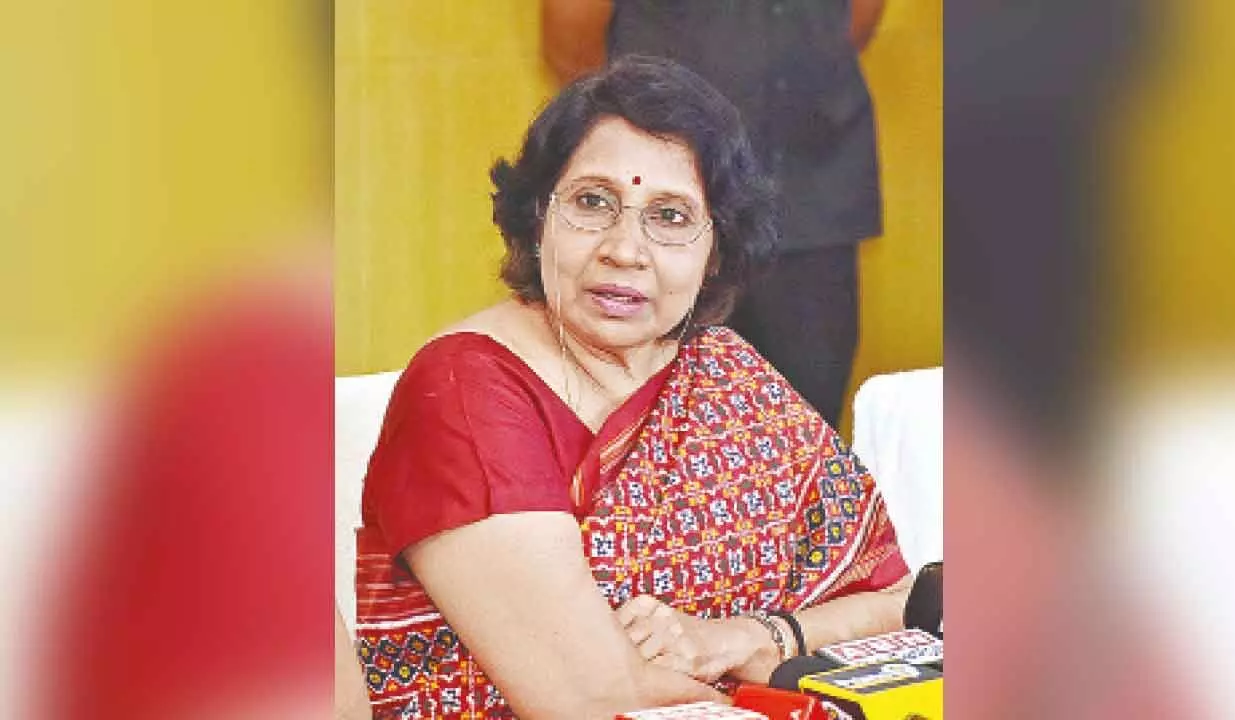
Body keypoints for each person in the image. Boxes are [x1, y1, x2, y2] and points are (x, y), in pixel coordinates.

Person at [354, 56, 909, 720]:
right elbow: (593, 698)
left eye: (670, 216)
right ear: (537, 221)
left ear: (716, 250)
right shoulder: (467, 393)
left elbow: (903, 605)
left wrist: (756, 637)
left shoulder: (728, 376)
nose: (625, 249)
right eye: (593, 202)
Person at [543, 0, 887, 430]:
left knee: (807, 423)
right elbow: (572, 37)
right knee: (659, 425)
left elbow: (855, 18)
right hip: (666, 193)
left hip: (812, 182)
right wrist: (640, 139)